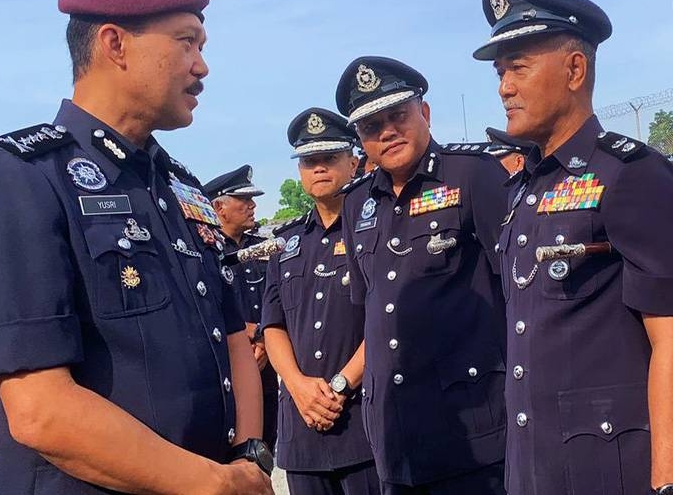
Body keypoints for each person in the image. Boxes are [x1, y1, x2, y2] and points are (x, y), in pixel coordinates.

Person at [0, 0, 273, 494]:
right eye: (187, 42)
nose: (202, 66)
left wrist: (248, 456)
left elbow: (234, 335)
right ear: (115, 44)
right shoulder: (22, 176)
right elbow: (40, 408)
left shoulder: (182, 189)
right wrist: (213, 483)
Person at [472, 0, 673, 495]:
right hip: (533, 466)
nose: (504, 87)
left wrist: (670, 484)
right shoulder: (523, 189)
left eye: (519, 68)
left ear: (575, 69)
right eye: (501, 72)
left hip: (608, 470)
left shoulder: (630, 174)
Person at [335, 57, 508, 495]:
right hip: (396, 438)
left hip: (476, 431)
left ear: (424, 114)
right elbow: (371, 308)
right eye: (371, 126)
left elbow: (518, 290)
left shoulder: (473, 176)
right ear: (360, 140)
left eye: (398, 115)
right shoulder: (356, 204)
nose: (387, 132)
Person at [260, 107, 379, 495]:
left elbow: (388, 318)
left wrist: (341, 386)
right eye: (310, 161)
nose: (319, 168)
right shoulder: (287, 243)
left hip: (363, 423)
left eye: (330, 158)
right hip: (303, 430)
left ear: (354, 162)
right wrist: (297, 386)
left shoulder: (377, 227)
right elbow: (273, 325)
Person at [206, 164, 279, 449]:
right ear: (219, 207)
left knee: (265, 451)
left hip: (266, 364)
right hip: (225, 369)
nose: (252, 205)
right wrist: (247, 332)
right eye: (244, 200)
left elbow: (279, 300)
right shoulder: (204, 251)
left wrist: (263, 338)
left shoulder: (264, 249)